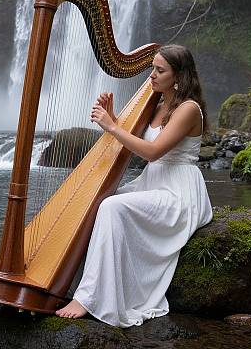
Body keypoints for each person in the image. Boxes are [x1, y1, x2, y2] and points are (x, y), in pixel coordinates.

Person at [55, 44, 213, 327]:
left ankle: (90, 298)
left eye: (159, 70)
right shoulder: (158, 103)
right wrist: (114, 118)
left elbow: (153, 152)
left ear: (179, 76)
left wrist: (112, 127)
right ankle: (72, 284)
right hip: (153, 182)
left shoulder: (188, 109)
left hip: (178, 191)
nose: (151, 75)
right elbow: (137, 143)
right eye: (152, 67)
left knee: (112, 207)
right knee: (97, 202)